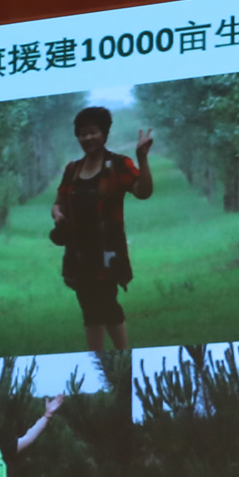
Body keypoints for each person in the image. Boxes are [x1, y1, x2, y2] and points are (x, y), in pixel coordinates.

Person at [49, 105, 154, 363]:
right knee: (89, 309)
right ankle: (97, 363)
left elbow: (143, 191)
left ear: (104, 134)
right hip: (77, 253)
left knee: (107, 305)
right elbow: (58, 202)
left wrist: (142, 158)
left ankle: (122, 359)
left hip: (108, 252)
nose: (88, 138)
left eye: (93, 132)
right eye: (82, 134)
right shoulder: (72, 169)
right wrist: (58, 215)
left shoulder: (118, 165)